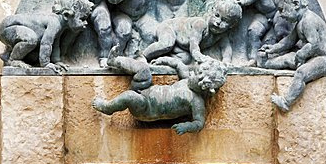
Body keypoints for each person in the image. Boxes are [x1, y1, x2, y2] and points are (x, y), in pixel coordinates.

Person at [92, 55, 228, 135]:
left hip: (146, 109)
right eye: (195, 71)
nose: (191, 73)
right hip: (146, 89)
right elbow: (178, 64)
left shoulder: (196, 101)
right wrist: (163, 60)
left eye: (196, 75)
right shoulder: (187, 79)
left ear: (204, 86)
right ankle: (114, 61)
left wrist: (186, 126)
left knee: (129, 96)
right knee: (143, 69)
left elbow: (199, 123)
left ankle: (108, 108)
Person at [261, 0, 326, 112]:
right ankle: (265, 63)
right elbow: (289, 41)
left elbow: (313, 44)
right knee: (287, 58)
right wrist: (273, 49)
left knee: (301, 73)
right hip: (311, 55)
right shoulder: (300, 21)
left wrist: (301, 55)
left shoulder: (308, 20)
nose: (280, 14)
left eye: (282, 9)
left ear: (296, 4)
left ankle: (286, 102)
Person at [0, 0, 93, 73]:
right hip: (8, 26)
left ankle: (8, 55)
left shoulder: (60, 26)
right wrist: (45, 63)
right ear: (67, 15)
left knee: (32, 39)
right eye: (82, 19)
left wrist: (56, 61)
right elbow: (46, 43)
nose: (85, 23)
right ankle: (13, 59)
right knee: (31, 39)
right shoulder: (54, 22)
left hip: (12, 27)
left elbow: (55, 44)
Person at [142, 0, 242, 64]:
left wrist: (226, 62)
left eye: (225, 21)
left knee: (185, 59)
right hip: (169, 28)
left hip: (180, 46)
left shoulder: (221, 35)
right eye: (216, 16)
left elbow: (226, 49)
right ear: (212, 11)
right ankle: (143, 57)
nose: (218, 22)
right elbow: (194, 45)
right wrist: (201, 58)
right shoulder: (200, 24)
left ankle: (162, 60)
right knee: (166, 44)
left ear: (231, 26)